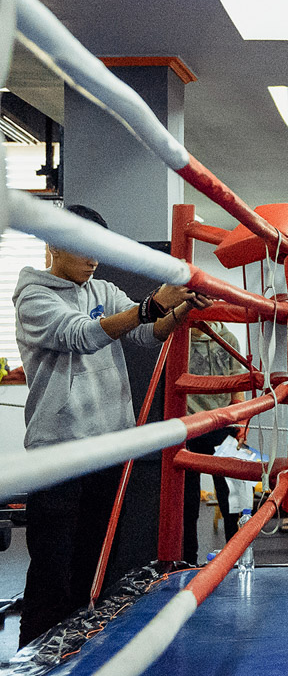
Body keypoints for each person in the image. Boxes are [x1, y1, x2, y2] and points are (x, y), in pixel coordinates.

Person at [15, 205, 210, 646]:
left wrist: (181, 308)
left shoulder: (102, 288)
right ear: (54, 244)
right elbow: (82, 335)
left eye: (98, 250)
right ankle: (34, 657)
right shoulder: (33, 296)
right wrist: (150, 306)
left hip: (107, 447)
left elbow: (147, 332)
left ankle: (80, 653)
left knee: (94, 564)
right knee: (51, 570)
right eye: (84, 248)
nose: (93, 259)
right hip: (59, 453)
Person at [184, 321, 247, 554]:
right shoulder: (178, 339)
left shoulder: (228, 339)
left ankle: (235, 555)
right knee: (188, 502)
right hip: (188, 424)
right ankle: (188, 559)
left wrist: (240, 422)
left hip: (221, 422)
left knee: (231, 497)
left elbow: (237, 383)